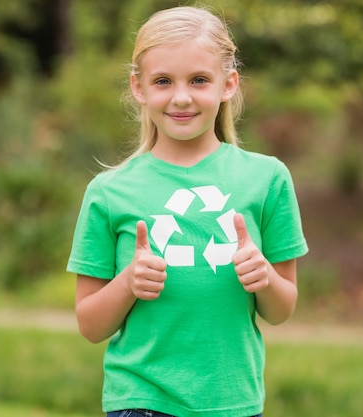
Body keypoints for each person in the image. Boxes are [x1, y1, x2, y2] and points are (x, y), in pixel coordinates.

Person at [67, 6, 308, 417]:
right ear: (139, 88)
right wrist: (128, 282)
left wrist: (263, 276)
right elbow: (90, 325)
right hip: (141, 400)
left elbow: (282, 309)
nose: (181, 97)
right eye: (163, 81)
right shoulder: (109, 192)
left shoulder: (267, 179)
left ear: (228, 84)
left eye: (199, 80)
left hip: (233, 403)